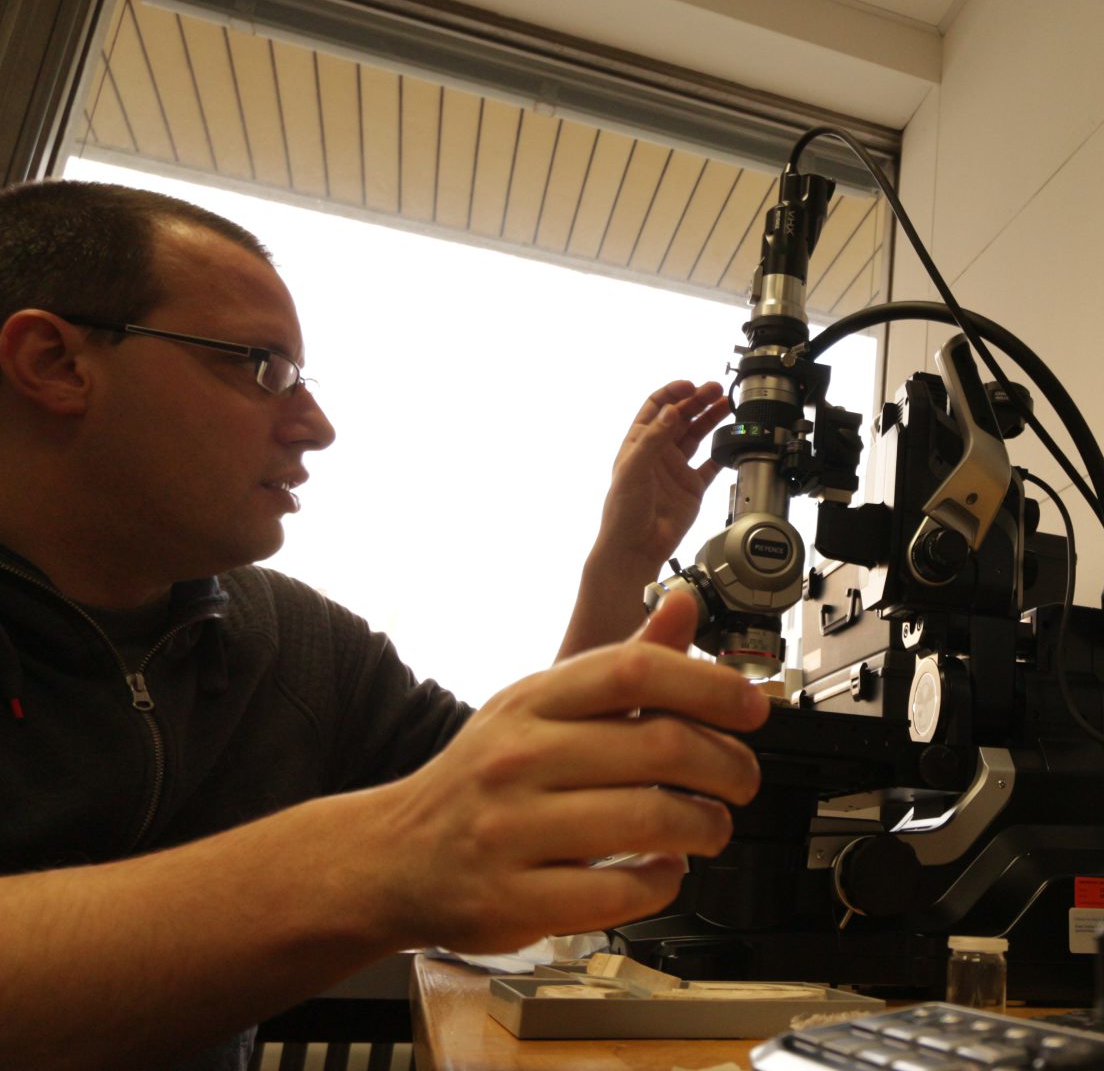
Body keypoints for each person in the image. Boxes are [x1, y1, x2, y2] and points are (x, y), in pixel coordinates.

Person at [0, 179, 768, 1069]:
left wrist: (624, 560)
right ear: (55, 363)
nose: (316, 427)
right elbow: (422, 836)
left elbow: (509, 803)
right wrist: (368, 863)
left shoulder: (293, 642)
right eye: (261, 366)